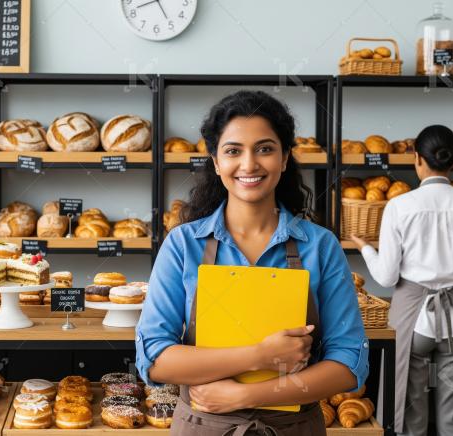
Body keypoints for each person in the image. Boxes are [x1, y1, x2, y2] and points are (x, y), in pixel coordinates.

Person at [135, 90, 369, 435]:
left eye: (265, 148)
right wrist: (259, 356)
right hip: (202, 425)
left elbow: (349, 364)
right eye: (233, 151)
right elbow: (154, 359)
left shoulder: (321, 246)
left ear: (285, 157)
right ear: (216, 162)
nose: (249, 164)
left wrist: (245, 395)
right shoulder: (183, 244)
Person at [351, 125, 453, 436]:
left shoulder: (399, 206)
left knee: (408, 412)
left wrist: (365, 248)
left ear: (417, 159)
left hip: (412, 319)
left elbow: (387, 276)